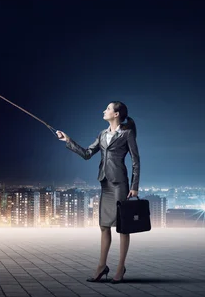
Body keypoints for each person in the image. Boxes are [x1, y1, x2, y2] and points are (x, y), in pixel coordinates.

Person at [55, 101, 140, 284]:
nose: (104, 110)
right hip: (105, 184)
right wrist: (68, 140)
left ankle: (120, 268)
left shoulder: (127, 134)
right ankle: (102, 266)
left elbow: (135, 161)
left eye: (108, 108)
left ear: (116, 114)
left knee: (123, 228)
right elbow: (87, 154)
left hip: (120, 184)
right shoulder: (102, 134)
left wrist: (134, 186)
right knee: (104, 226)